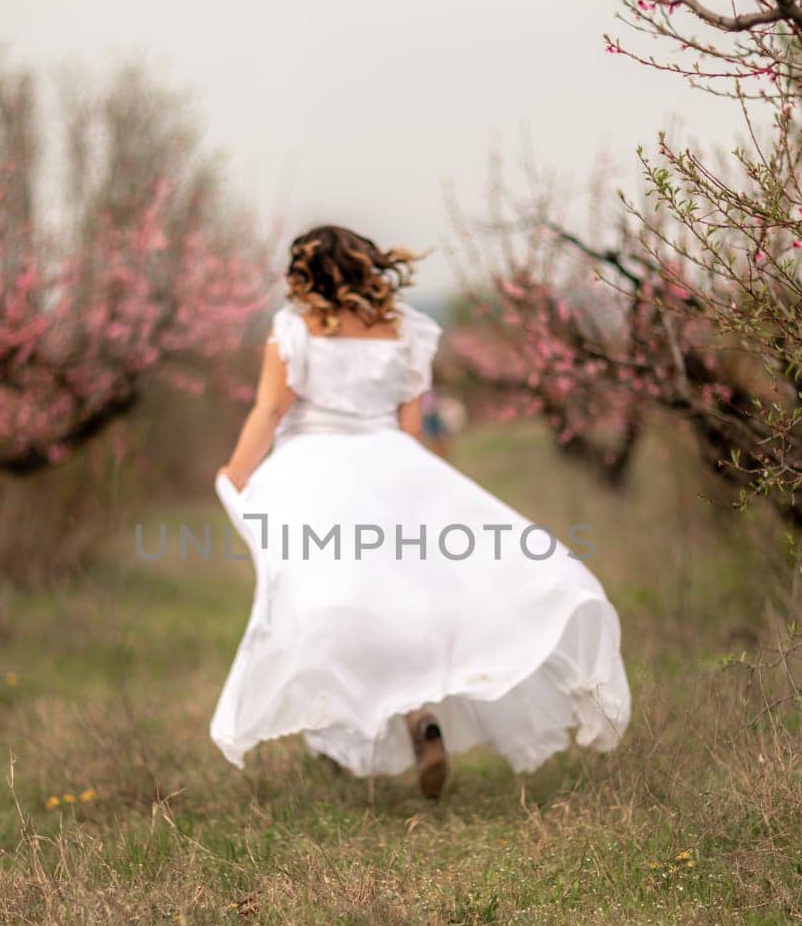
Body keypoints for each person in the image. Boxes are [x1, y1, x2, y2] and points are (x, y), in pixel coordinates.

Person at [211, 224, 630, 798]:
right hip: (393, 467)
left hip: (314, 474)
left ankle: (343, 728)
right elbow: (412, 430)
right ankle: (412, 719)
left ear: (308, 274)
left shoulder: (293, 330)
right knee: (407, 599)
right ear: (363, 268)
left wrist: (235, 472)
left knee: (325, 602)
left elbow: (270, 409)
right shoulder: (405, 331)